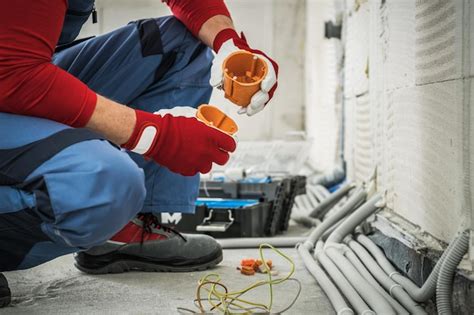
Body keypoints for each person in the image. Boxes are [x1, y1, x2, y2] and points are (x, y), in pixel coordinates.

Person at [0, 0, 278, 308]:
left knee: (182, 44)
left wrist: (230, 44)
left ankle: (124, 232)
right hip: (12, 76)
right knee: (104, 185)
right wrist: (153, 135)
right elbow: (12, 73)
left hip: (24, 69)